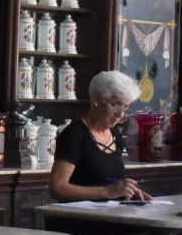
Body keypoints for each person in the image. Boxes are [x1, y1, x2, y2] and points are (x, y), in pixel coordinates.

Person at [48, 70, 151, 202]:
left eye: (125, 107)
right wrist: (107, 192)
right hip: (80, 214)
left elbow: (109, 181)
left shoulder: (115, 134)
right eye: (116, 104)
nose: (120, 114)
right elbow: (57, 188)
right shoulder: (74, 134)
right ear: (97, 99)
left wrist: (127, 190)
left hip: (110, 212)